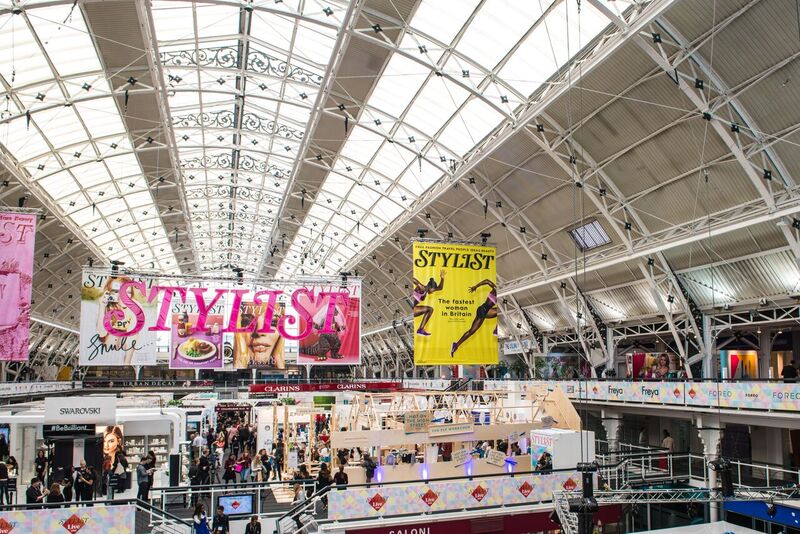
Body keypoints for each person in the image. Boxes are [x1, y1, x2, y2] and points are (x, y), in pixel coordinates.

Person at [451, 279, 497, 357]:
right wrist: (475, 286)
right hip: (483, 309)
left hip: (484, 311)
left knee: (471, 332)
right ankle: (496, 329)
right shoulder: (496, 289)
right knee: (500, 311)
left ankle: (456, 345)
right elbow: (487, 281)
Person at [411, 270, 445, 336]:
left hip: (413, 309)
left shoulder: (427, 290)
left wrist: (442, 278)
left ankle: (420, 329)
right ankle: (420, 329)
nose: (432, 292)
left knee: (430, 309)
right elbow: (414, 280)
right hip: (410, 309)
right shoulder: (422, 288)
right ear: (431, 287)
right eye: (433, 290)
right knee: (430, 309)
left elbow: (440, 288)